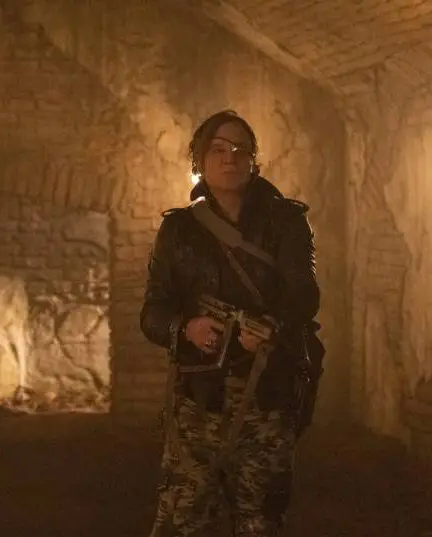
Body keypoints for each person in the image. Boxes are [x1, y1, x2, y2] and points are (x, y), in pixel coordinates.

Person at [140, 109, 321, 537]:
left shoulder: (286, 222)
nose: (230, 158)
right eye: (218, 149)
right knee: (184, 520)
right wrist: (187, 328)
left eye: (241, 149)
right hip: (197, 399)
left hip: (267, 394)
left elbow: (304, 296)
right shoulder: (178, 230)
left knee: (259, 519)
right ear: (200, 159)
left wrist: (271, 327)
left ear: (254, 160)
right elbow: (153, 312)